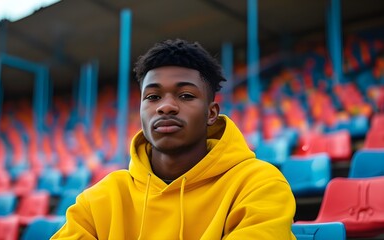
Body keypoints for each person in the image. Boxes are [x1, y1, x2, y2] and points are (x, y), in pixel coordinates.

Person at [51, 39, 296, 239]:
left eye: (186, 95)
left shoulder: (259, 184)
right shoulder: (101, 197)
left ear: (211, 113)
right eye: (153, 97)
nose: (166, 107)